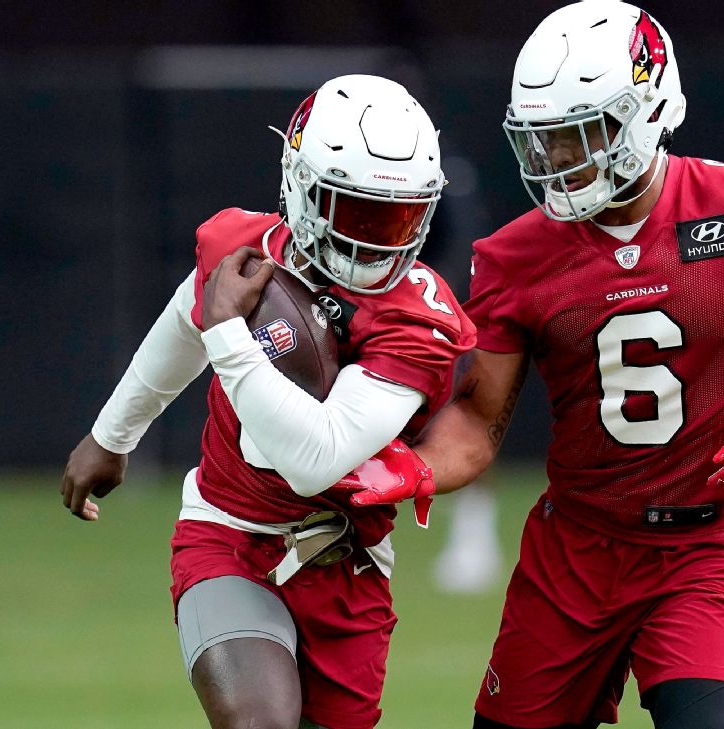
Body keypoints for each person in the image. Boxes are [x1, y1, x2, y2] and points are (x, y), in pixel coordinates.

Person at [364, 3, 724, 727]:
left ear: (645, 111)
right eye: (545, 139)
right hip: (579, 547)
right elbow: (480, 413)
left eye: (578, 134)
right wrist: (414, 468)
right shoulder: (516, 255)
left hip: (711, 545)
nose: (559, 158)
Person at [58, 74, 474, 729]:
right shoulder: (249, 247)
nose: (377, 239)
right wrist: (113, 434)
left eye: (397, 216)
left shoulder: (417, 319)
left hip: (347, 565)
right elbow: (183, 317)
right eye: (355, 211)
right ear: (303, 188)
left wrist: (229, 334)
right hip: (229, 532)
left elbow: (318, 457)